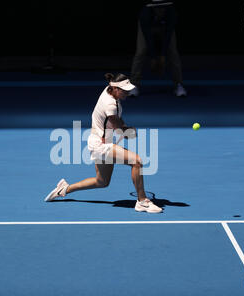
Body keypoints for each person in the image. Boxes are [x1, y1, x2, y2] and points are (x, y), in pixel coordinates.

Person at [44, 73, 163, 213]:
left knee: (101, 182)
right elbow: (118, 128)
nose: (128, 92)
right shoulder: (110, 104)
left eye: (128, 89)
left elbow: (117, 122)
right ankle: (142, 201)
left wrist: (125, 129)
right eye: (124, 90)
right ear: (115, 88)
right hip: (100, 145)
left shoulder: (109, 90)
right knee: (137, 161)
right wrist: (129, 131)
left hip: (99, 141)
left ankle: (64, 189)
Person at [129, 0, 187, 97]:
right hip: (148, 26)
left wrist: (162, 56)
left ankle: (179, 84)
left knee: (173, 52)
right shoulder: (145, 14)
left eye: (163, 7)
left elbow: (168, 36)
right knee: (141, 51)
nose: (160, 10)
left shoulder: (171, 13)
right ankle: (134, 84)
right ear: (152, 8)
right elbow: (148, 37)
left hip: (165, 27)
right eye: (157, 8)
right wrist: (153, 57)